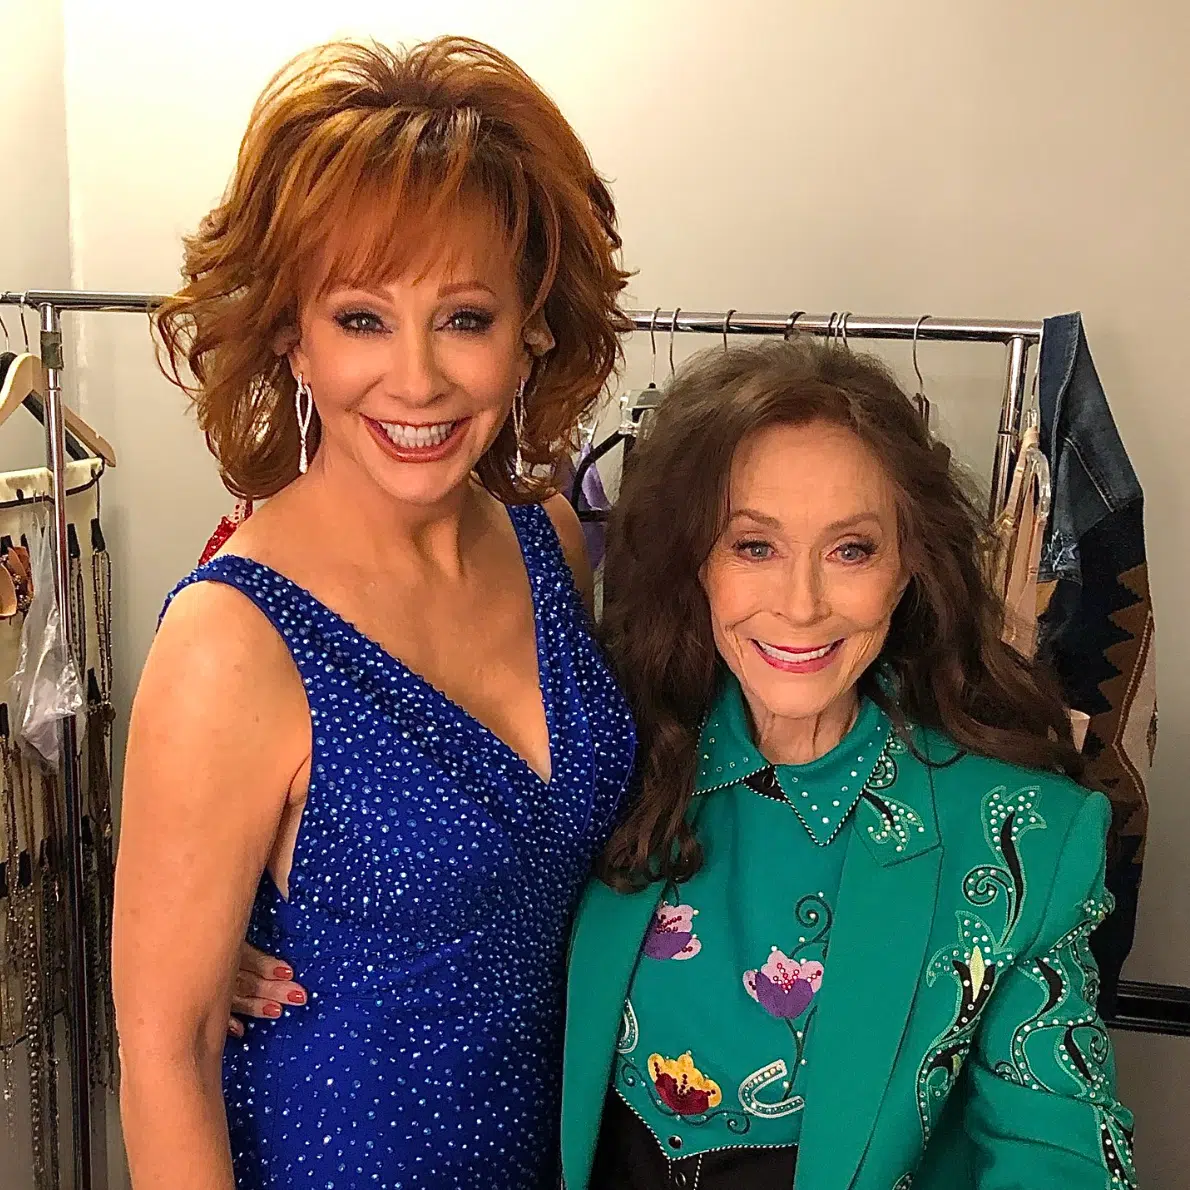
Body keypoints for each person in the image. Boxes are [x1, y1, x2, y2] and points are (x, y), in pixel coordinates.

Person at [242, 341, 1137, 1188]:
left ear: (908, 570)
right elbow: (449, 881)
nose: (800, 603)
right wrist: (259, 935)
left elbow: (1058, 1156)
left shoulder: (1022, 840)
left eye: (851, 550)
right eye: (755, 546)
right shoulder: (611, 754)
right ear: (697, 562)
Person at [112, 36, 636, 1190]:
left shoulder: (546, 538)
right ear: (291, 332)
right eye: (360, 319)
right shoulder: (232, 641)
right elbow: (163, 1049)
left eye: (462, 316)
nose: (416, 379)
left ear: (530, 324)